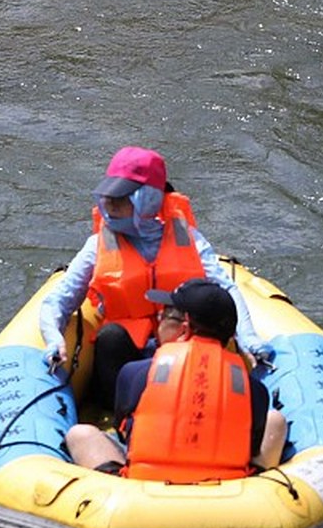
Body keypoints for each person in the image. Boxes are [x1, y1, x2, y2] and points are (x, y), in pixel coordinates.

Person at [36, 146, 229, 412]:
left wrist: (250, 339)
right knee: (110, 337)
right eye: (109, 196)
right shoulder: (97, 245)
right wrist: (53, 338)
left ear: (148, 199)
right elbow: (57, 301)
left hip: (182, 347)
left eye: (122, 197)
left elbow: (225, 294)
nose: (110, 205)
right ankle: (121, 417)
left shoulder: (190, 240)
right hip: (124, 357)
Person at [65, 279, 287, 480]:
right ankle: (260, 485)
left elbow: (125, 431)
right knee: (275, 420)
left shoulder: (135, 373)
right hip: (227, 487)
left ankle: (115, 488)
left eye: (166, 314)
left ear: (185, 327)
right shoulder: (254, 389)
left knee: (80, 434)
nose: (158, 321)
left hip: (145, 485)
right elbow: (253, 445)